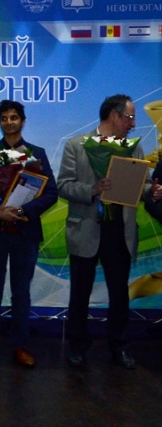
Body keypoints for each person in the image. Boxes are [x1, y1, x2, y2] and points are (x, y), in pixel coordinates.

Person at [57, 94, 147, 370]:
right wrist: (92, 190)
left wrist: (151, 190)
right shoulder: (76, 145)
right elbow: (64, 185)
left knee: (119, 293)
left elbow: (140, 186)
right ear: (113, 116)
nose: (133, 124)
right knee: (80, 293)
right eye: (130, 117)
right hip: (86, 229)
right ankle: (77, 346)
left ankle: (120, 346)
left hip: (119, 231)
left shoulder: (132, 149)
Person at [0, 100, 58, 368]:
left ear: (23, 120)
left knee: (21, 293)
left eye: (14, 117)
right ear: (0, 122)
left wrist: (23, 211)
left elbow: (51, 193)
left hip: (25, 232)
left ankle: (20, 345)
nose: (9, 122)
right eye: (4, 118)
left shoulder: (37, 154)